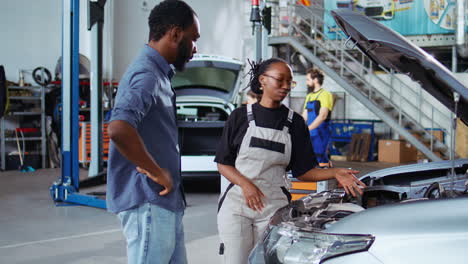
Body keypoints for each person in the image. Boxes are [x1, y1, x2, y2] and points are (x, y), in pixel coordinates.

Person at [215, 58, 365, 264]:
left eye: (290, 82)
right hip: (236, 206)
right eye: (280, 80)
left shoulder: (295, 123)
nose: (286, 86)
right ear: (262, 80)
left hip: (273, 208)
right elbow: (223, 163)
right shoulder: (239, 117)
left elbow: (304, 171)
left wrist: (335, 172)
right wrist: (246, 184)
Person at [106, 1, 200, 263]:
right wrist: (158, 172)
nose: (195, 48)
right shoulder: (146, 74)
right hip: (149, 201)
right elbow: (119, 128)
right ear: (174, 34)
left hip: (164, 203)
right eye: (193, 39)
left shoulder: (158, 74)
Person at [302, 68, 334, 167]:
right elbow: (304, 115)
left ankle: (325, 179)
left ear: (315, 80)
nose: (306, 82)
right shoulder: (309, 96)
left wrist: (308, 128)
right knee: (308, 159)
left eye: (308, 79)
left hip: (321, 133)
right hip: (310, 133)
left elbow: (323, 116)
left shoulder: (325, 95)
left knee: (320, 158)